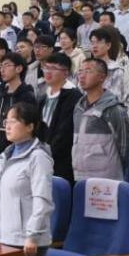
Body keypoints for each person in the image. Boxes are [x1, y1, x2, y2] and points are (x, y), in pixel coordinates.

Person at [0, 102, 54, 256]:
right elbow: (0, 198)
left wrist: (32, 235)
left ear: (30, 126)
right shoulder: (5, 156)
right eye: (6, 121)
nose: (7, 126)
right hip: (7, 236)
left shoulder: (39, 157)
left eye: (14, 121)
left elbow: (43, 200)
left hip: (27, 239)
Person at [71, 55, 129, 182]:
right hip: (80, 176)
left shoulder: (113, 109)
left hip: (107, 178)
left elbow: (125, 147)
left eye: (88, 71)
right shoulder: (78, 108)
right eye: (80, 72)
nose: (82, 76)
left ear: (102, 77)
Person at [36, 52, 81, 182]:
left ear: (65, 73)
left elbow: (66, 131)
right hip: (41, 158)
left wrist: (48, 153)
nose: (48, 72)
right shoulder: (42, 98)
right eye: (46, 68)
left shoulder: (74, 97)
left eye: (53, 68)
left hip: (63, 160)